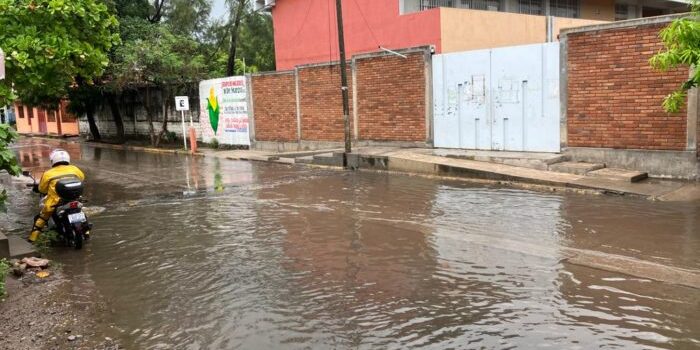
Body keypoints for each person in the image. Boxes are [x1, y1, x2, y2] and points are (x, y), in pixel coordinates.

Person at [28, 149, 85, 243]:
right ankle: (86, 233)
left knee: (42, 218)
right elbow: (82, 178)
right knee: (81, 213)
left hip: (55, 202)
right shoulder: (75, 169)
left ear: (53, 160)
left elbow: (42, 189)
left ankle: (32, 240)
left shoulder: (48, 173)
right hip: (74, 198)